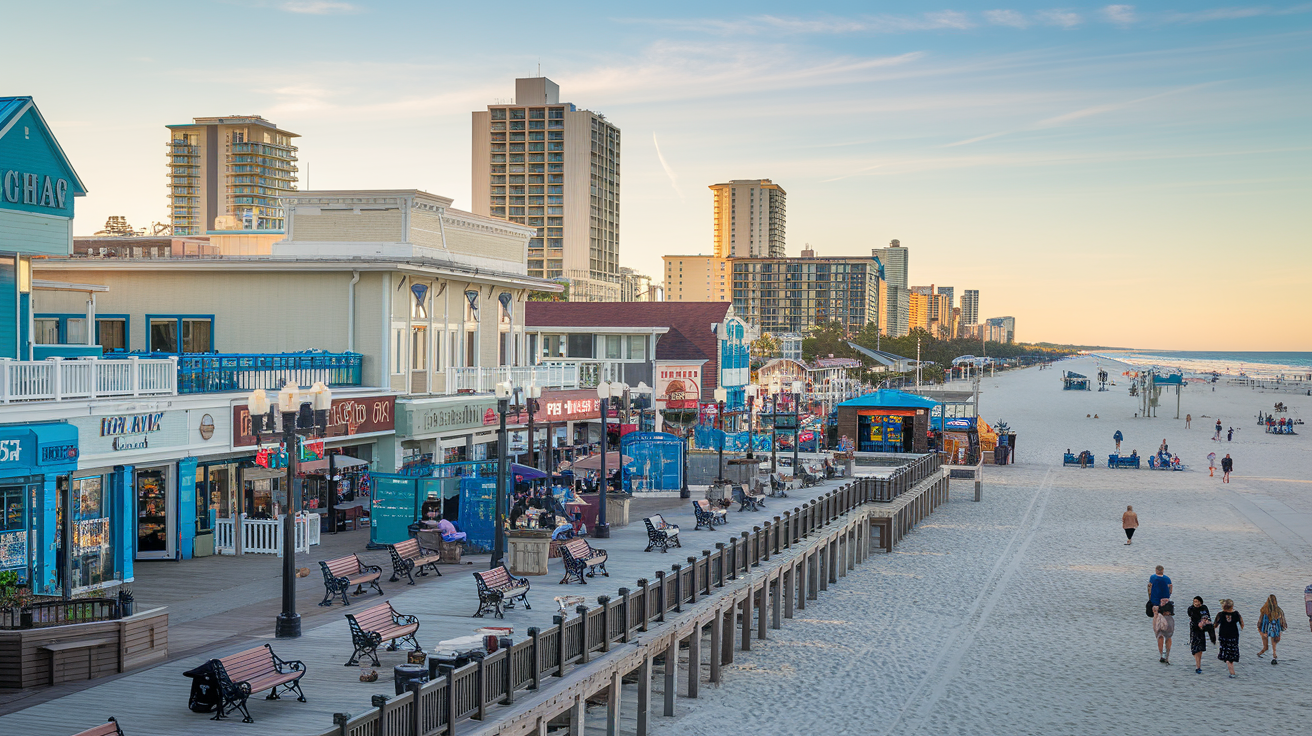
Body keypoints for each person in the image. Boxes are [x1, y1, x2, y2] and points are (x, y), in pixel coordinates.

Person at [1215, 599, 1243, 677]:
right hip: (1234, 636)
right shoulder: (1236, 614)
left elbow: (1215, 625)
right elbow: (1242, 624)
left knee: (1226, 654)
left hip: (1223, 636)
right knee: (1231, 654)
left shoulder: (1220, 614)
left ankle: (1232, 672)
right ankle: (1232, 671)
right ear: (1232, 606)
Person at [1257, 594, 1287, 664]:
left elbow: (1260, 620)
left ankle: (1263, 651)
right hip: (1275, 627)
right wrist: (1283, 626)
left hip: (1265, 628)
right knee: (1274, 640)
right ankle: (1274, 654)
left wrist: (1259, 628)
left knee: (1266, 642)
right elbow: (1282, 619)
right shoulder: (1278, 610)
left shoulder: (1264, 610)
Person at [1187, 597, 1212, 673]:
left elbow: (1208, 616)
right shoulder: (1191, 608)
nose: (1196, 603)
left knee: (1200, 649)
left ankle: (1198, 665)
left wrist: (1206, 622)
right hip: (1194, 629)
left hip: (1202, 630)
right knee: (1195, 649)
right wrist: (1200, 622)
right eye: (1194, 601)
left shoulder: (1204, 607)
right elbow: (1192, 616)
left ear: (1200, 602)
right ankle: (1197, 665)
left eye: (1197, 601)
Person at [1154, 599, 1176, 664]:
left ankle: (1163, 655)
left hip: (1162, 617)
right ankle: (1165, 655)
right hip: (1166, 617)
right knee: (1165, 636)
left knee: (1162, 636)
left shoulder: (1156, 597)